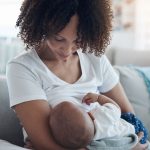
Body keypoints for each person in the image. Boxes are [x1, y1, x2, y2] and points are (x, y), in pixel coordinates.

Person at [6, 0, 149, 149]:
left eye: (78, 41)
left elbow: (127, 115)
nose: (67, 50)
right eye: (59, 39)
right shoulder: (22, 68)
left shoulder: (95, 58)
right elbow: (44, 143)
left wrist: (128, 142)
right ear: (41, 26)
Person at [49, 93, 137, 149]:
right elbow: (116, 108)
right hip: (132, 128)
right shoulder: (102, 116)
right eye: (79, 109)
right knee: (129, 116)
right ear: (91, 115)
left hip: (126, 140)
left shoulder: (88, 142)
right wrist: (99, 98)